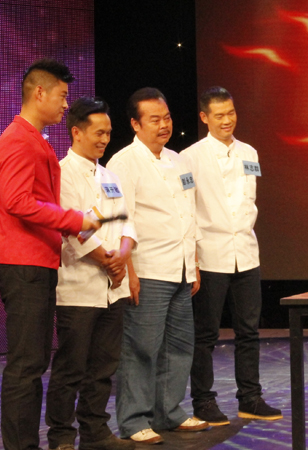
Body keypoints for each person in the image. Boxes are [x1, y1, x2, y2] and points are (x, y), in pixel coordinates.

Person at [0, 59, 100, 450]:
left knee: (33, 361)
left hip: (37, 260)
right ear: (39, 93)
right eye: (62, 95)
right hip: (23, 262)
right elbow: (16, 201)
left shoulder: (34, 139)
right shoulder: (19, 139)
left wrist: (72, 224)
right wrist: (73, 219)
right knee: (26, 364)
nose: (66, 104)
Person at [106, 87, 207, 444]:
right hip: (147, 269)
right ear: (135, 124)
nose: (164, 125)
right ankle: (134, 420)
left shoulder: (179, 161)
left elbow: (188, 213)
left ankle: (169, 411)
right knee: (141, 349)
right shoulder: (123, 163)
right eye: (154, 120)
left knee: (179, 347)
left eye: (166, 118)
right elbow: (122, 221)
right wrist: (129, 274)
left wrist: (193, 263)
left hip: (181, 268)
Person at [181, 86, 282, 426]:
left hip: (246, 253)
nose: (227, 120)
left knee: (249, 331)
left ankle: (250, 398)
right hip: (209, 254)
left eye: (231, 113)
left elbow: (248, 202)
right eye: (219, 115)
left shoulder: (249, 152)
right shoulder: (189, 157)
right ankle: (203, 401)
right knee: (205, 334)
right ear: (204, 117)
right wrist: (192, 258)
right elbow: (187, 209)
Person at [44, 97, 136, 450]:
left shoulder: (110, 176)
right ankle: (61, 436)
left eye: (108, 133)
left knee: (103, 366)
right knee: (71, 367)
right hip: (79, 287)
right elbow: (71, 227)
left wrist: (122, 257)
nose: (105, 139)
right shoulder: (61, 173)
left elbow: (127, 223)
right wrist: (108, 261)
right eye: (99, 133)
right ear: (77, 132)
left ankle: (96, 430)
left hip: (113, 287)